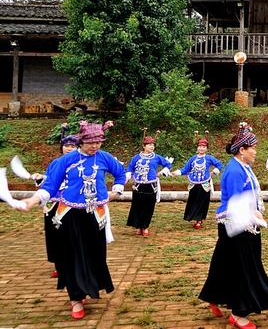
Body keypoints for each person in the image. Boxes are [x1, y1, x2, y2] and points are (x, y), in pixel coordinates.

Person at [19, 121, 126, 319]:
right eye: (90, 143)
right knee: (72, 255)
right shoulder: (66, 160)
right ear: (81, 141)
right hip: (69, 215)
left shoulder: (104, 157)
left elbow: (120, 174)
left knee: (95, 255)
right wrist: (32, 200)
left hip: (96, 215)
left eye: (98, 142)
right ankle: (75, 298)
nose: (95, 146)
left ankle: (89, 286)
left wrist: (116, 191)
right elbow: (50, 186)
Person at [199, 122, 268, 329]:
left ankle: (214, 295)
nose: (255, 151)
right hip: (238, 224)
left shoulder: (243, 167)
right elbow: (237, 202)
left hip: (235, 223)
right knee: (244, 268)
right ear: (242, 150)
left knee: (224, 262)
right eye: (252, 148)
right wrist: (255, 215)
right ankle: (238, 312)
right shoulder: (235, 171)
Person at [31, 123, 79, 278]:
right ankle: (59, 265)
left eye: (73, 146)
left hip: (73, 203)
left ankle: (75, 264)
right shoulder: (55, 163)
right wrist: (40, 179)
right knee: (54, 235)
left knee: (73, 235)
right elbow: (49, 181)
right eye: (66, 145)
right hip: (54, 203)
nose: (69, 148)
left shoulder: (80, 163)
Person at [171, 131, 223, 229]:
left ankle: (199, 220)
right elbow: (186, 169)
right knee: (193, 200)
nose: (201, 148)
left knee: (203, 201)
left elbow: (219, 164)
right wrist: (176, 172)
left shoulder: (209, 158)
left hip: (204, 182)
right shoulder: (193, 159)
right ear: (197, 148)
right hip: (194, 183)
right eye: (200, 147)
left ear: (206, 149)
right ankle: (193, 217)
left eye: (204, 147)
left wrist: (214, 172)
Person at [125, 130, 172, 237]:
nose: (152, 147)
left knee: (148, 206)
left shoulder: (156, 157)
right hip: (138, 185)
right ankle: (138, 225)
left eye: (153, 145)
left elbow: (168, 164)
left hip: (151, 185)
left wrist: (162, 172)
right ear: (143, 146)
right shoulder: (136, 158)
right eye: (149, 145)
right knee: (137, 206)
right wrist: (127, 176)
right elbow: (130, 168)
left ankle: (145, 226)